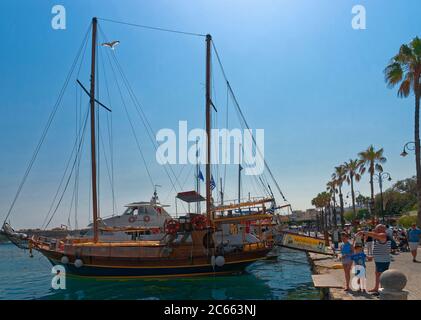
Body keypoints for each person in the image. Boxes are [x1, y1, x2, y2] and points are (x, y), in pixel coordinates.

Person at [358, 224, 391, 294]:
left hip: (383, 260)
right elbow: (380, 248)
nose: (375, 230)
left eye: (376, 229)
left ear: (380, 229)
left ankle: (382, 291)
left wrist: (364, 232)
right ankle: (376, 288)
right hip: (379, 259)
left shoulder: (383, 235)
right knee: (377, 274)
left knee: (382, 275)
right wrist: (372, 256)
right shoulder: (379, 236)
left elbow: (375, 235)